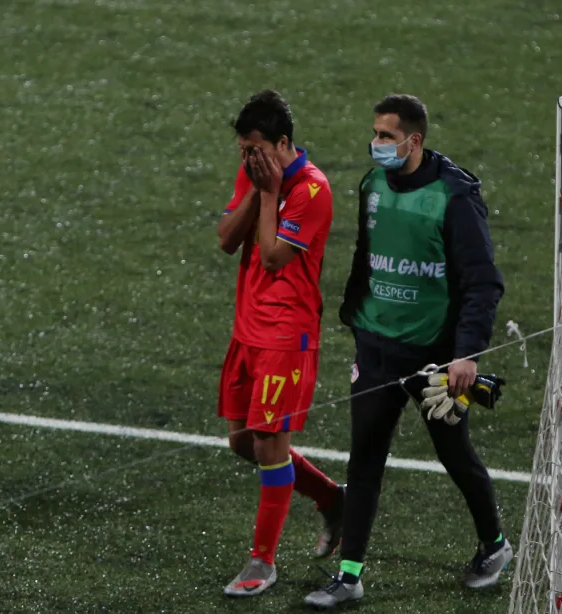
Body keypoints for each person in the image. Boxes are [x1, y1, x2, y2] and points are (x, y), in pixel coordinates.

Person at [303, 94, 511, 609]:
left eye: (386, 137)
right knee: (365, 456)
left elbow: (483, 282)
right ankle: (350, 576)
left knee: (453, 452)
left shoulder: (453, 197)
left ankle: (496, 545)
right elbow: (368, 256)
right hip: (376, 346)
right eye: (375, 134)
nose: (376, 145)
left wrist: (467, 355)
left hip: (436, 356)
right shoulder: (372, 184)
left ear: (414, 141)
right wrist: (357, 317)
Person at [215, 90, 345, 596]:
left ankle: (261, 563)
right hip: (247, 330)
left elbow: (271, 257)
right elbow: (227, 240)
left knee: (271, 446)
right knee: (243, 442)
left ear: (283, 142)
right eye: (243, 150)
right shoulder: (254, 175)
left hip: (287, 337)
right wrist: (255, 187)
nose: (247, 158)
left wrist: (269, 194)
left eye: (255, 149)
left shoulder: (313, 191)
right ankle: (334, 498)